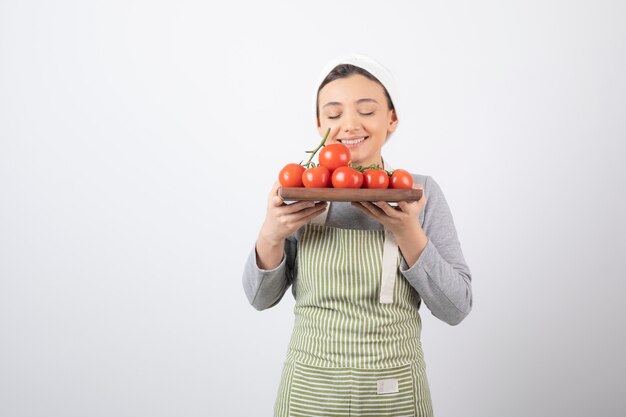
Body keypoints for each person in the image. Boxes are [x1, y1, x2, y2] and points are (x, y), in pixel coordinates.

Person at [242, 53, 473, 417]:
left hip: (395, 392)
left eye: (366, 110)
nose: (349, 125)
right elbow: (259, 298)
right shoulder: (299, 190)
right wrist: (270, 235)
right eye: (334, 114)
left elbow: (456, 308)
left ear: (391, 119)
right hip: (310, 391)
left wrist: (407, 230)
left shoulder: (419, 192)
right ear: (319, 124)